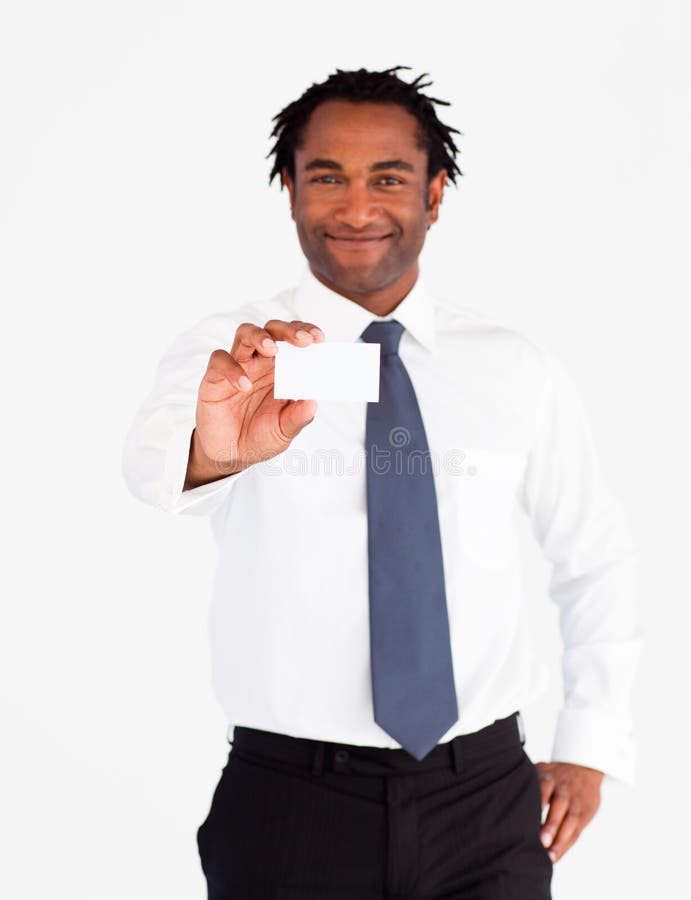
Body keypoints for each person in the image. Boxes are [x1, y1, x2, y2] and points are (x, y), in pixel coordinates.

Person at [122, 66, 642, 900]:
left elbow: (594, 553)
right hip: (290, 803)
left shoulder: (511, 367)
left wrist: (590, 744)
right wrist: (217, 450)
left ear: (435, 194)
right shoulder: (237, 353)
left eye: (388, 179)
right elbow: (153, 469)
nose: (356, 209)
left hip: (485, 801)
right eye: (326, 177)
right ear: (289, 189)